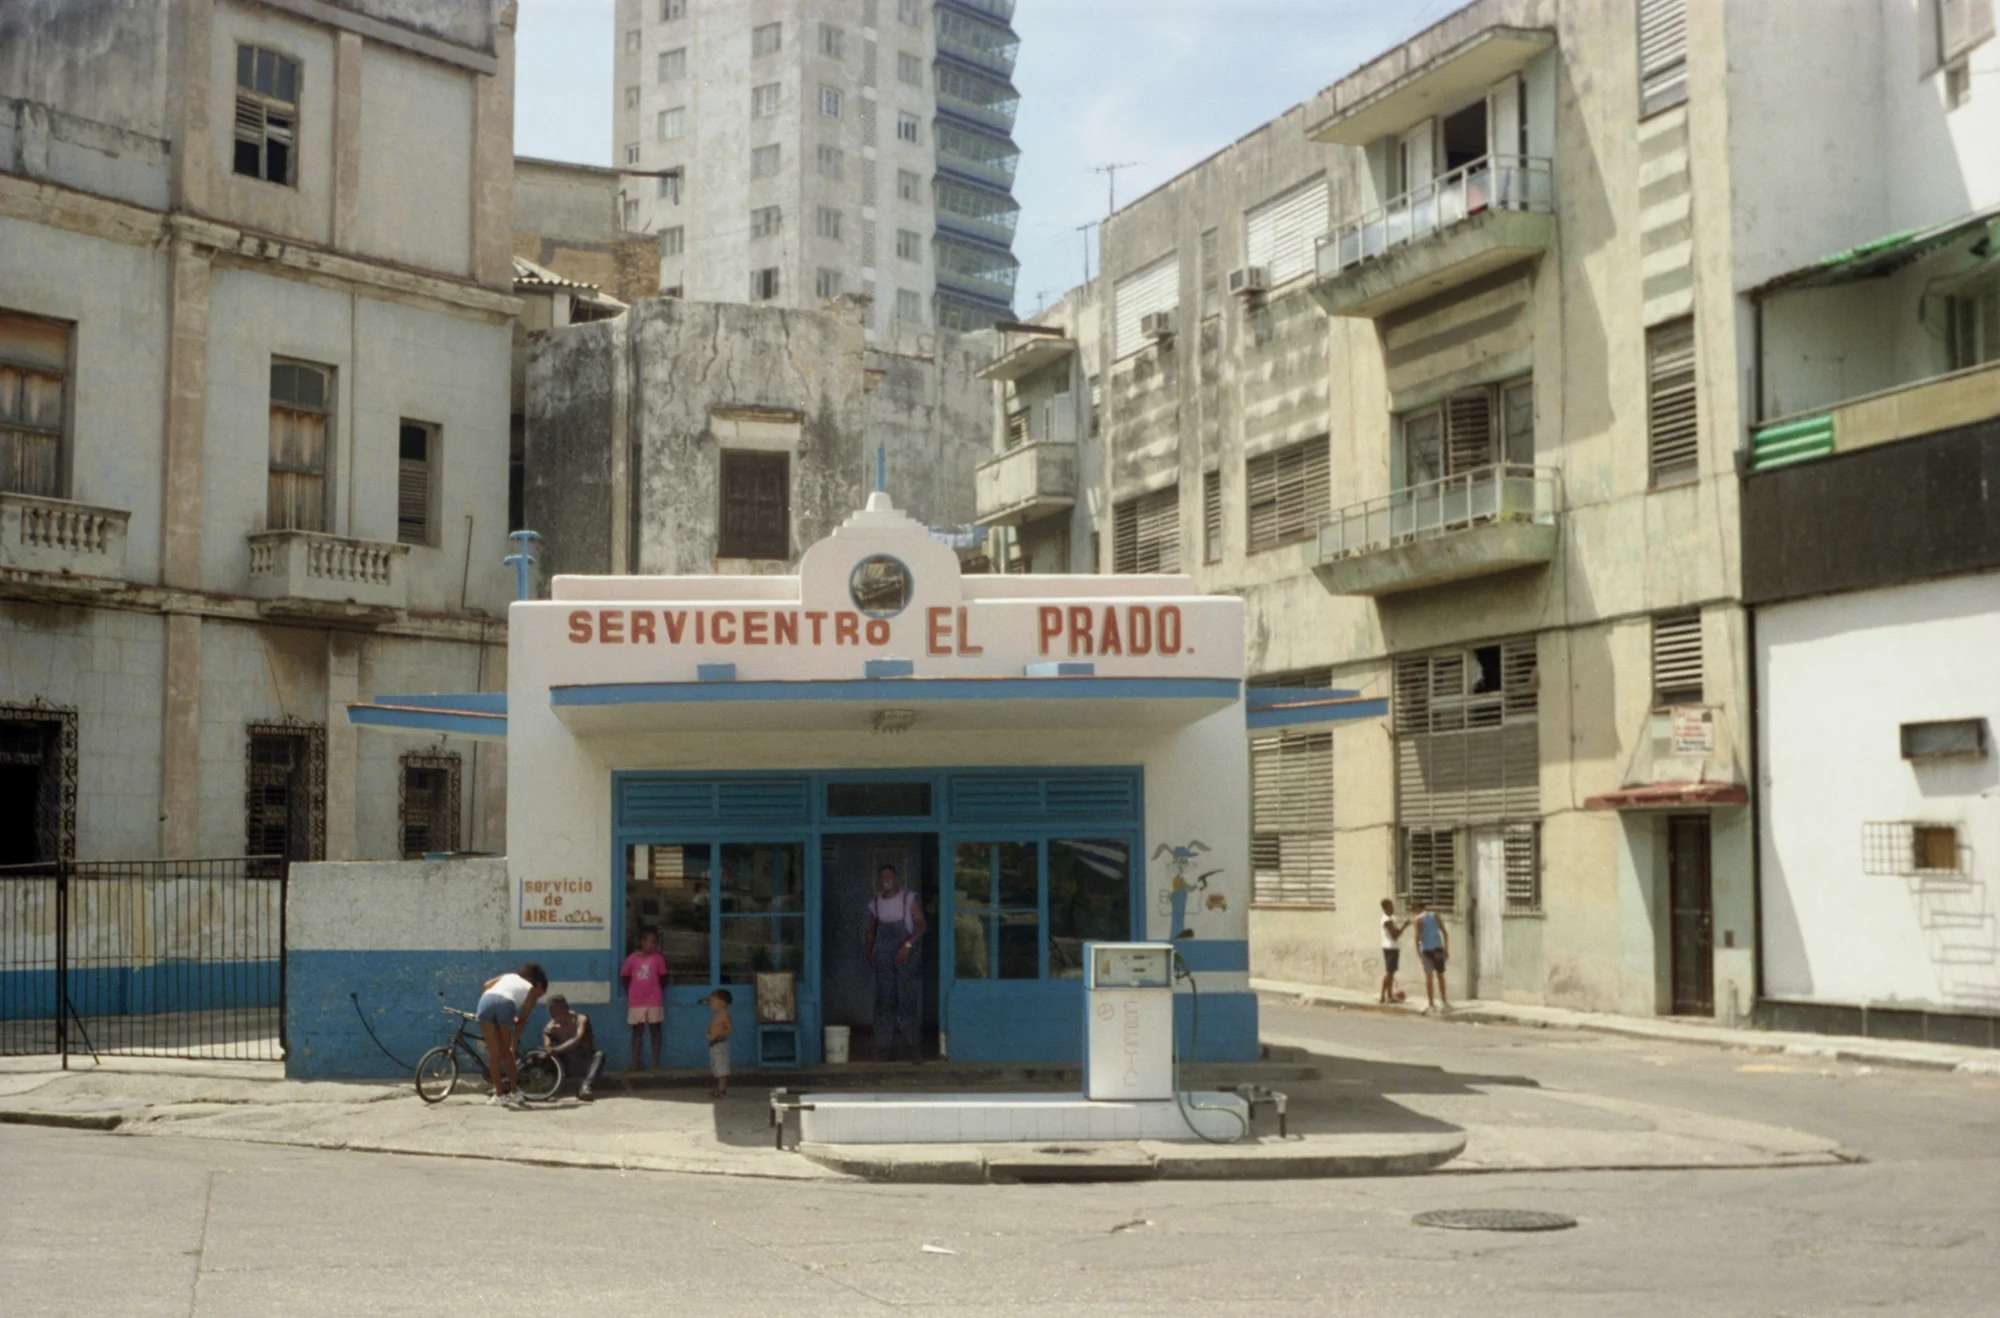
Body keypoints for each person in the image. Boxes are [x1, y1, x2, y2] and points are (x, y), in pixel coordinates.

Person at [863, 864, 926, 1062]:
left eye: (890, 876)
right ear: (878, 881)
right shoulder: (875, 904)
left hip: (905, 954)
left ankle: (912, 1046)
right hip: (883, 955)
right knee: (885, 999)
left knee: (907, 998)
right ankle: (885, 1047)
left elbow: (921, 926)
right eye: (882, 877)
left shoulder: (908, 900)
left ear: (896, 879)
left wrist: (907, 945)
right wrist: (869, 951)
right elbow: (872, 930)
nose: (886, 880)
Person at [475, 962, 548, 1107]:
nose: (538, 998)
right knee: (506, 1052)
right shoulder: (532, 990)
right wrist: (513, 1045)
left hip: (485, 1001)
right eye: (541, 994)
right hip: (506, 1004)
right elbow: (522, 1020)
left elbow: (486, 985)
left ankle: (499, 1096)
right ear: (539, 985)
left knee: (493, 1054)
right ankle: (515, 1093)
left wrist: (488, 1006)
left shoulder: (509, 976)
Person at [620, 928, 669, 1071]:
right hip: (636, 1001)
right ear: (642, 942)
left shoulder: (658, 958)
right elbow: (625, 978)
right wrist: (633, 993)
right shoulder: (632, 959)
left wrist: (655, 992)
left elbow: (663, 978)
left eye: (656, 942)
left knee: (655, 1031)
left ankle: (655, 1064)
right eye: (652, 942)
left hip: (654, 1000)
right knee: (637, 1032)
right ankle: (635, 1063)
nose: (654, 945)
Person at [541, 994, 605, 1102]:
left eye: (557, 1012)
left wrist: (557, 1049)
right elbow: (547, 1046)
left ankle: (586, 1087)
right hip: (566, 1063)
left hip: (585, 1060)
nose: (554, 1016)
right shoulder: (550, 1028)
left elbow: (577, 1038)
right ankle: (550, 1089)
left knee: (599, 1055)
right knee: (547, 1058)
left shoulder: (581, 1019)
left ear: (566, 1008)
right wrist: (549, 1050)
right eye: (552, 1013)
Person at [1413, 900, 1450, 1014]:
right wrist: (1446, 948)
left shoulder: (1418, 919)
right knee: (1440, 975)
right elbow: (1445, 932)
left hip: (1427, 950)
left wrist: (1418, 951)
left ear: (1417, 909)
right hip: (1438, 948)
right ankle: (1444, 1002)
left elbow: (1417, 937)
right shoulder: (1435, 916)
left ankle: (1431, 1003)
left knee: (1429, 978)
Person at [699, 988, 733, 1098]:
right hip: (713, 1044)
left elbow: (730, 1029)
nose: (711, 1004)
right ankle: (719, 1088)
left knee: (722, 1067)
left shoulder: (724, 1014)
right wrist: (708, 1033)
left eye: (713, 1001)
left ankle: (722, 1090)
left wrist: (716, 1035)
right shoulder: (716, 1015)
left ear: (722, 1002)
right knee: (716, 1067)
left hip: (720, 1044)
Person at [1379, 898, 1408, 1005]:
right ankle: (1383, 995)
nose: (1393, 908)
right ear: (1385, 908)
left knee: (1391, 973)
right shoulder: (1386, 920)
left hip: (1393, 947)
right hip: (1390, 947)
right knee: (1389, 972)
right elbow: (1395, 935)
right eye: (1390, 907)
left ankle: (1389, 995)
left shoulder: (1391, 918)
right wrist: (1404, 926)